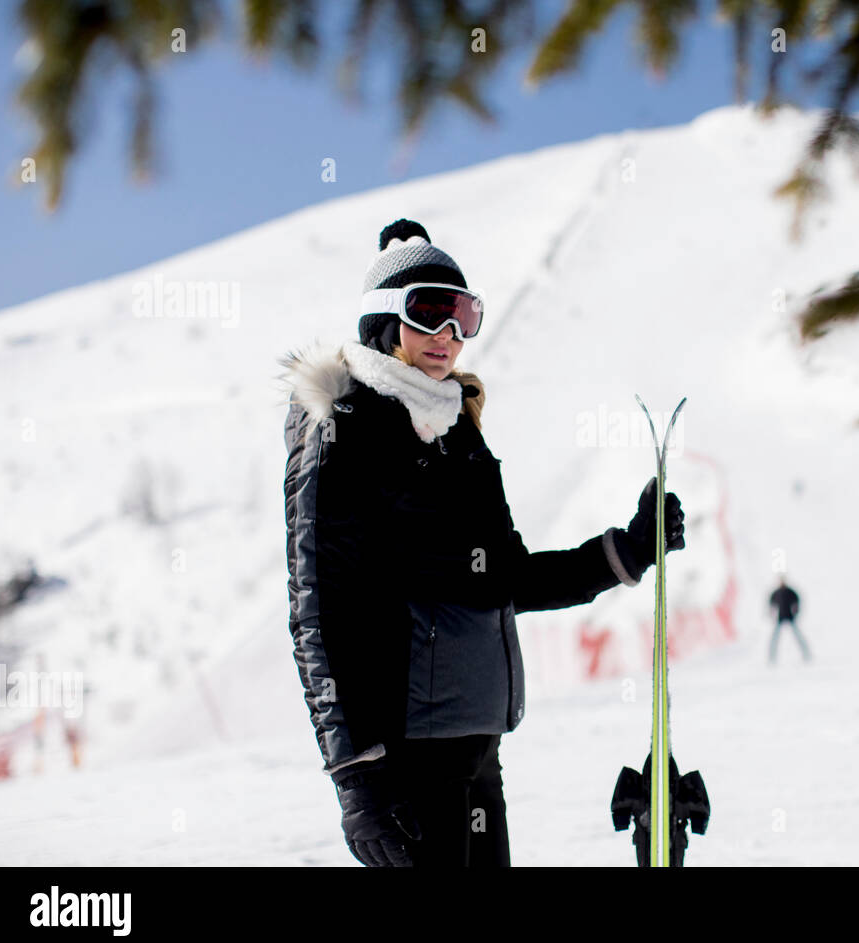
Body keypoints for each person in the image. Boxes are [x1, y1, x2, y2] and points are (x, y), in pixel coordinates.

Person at [278, 219, 685, 867]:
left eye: (464, 315)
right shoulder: (344, 427)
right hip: (405, 762)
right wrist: (357, 777)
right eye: (430, 313)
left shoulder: (456, 428)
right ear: (383, 322)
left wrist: (630, 551)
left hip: (477, 749)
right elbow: (318, 610)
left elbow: (508, 578)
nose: (450, 336)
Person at [768, 575, 811, 664]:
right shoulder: (776, 592)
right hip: (780, 618)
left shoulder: (790, 592)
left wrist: (795, 613)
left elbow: (797, 601)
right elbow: (771, 604)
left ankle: (806, 654)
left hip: (790, 617)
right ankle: (771, 657)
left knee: (798, 637)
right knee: (774, 638)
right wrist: (772, 614)